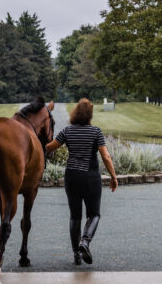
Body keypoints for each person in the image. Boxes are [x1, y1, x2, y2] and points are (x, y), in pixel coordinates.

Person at [45, 98, 119, 266]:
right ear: (90, 115)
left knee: (75, 216)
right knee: (94, 214)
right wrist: (113, 176)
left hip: (72, 176)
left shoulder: (67, 131)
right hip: (90, 177)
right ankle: (85, 242)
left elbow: (49, 147)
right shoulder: (96, 132)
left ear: (76, 113)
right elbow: (105, 156)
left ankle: (76, 256)